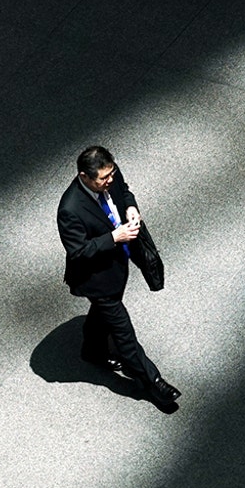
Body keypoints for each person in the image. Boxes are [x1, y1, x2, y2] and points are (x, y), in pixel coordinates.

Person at [57, 145, 181, 412]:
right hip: (97, 278)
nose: (109, 180)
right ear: (84, 177)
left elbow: (123, 193)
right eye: (103, 179)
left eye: (111, 174)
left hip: (116, 267)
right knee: (124, 333)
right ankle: (154, 383)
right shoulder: (70, 208)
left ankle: (92, 350)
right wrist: (114, 237)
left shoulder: (109, 174)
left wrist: (131, 208)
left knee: (102, 314)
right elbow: (78, 251)